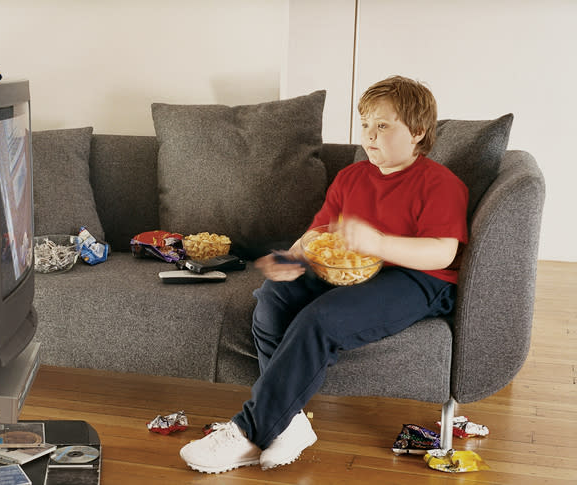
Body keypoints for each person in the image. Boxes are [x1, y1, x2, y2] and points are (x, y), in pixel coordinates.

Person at [179, 75, 469, 474]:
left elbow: (443, 250)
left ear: (417, 132)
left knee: (322, 319)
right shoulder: (352, 177)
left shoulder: (440, 183)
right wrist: (291, 259)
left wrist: (379, 242)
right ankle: (289, 420)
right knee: (272, 299)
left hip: (421, 278)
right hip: (352, 269)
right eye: (365, 123)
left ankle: (249, 431)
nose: (369, 134)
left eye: (383, 126)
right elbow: (321, 234)